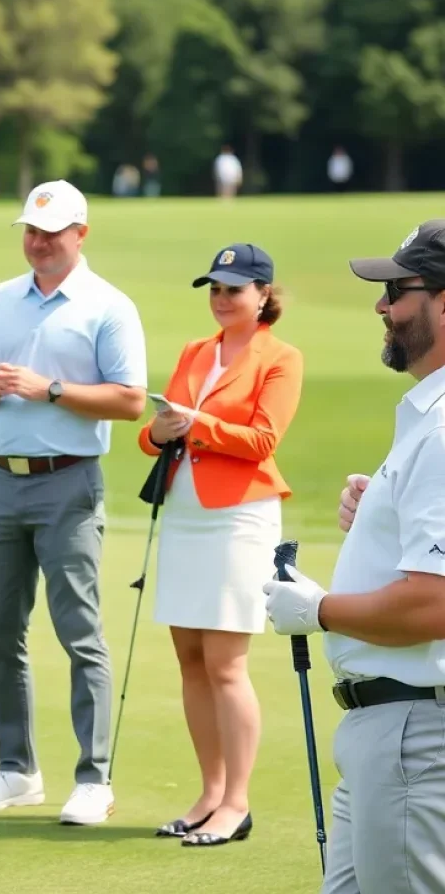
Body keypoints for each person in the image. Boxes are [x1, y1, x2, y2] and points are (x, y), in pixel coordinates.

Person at [263, 219, 445, 894]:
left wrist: (320, 610)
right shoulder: (426, 420)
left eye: (397, 292)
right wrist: (382, 511)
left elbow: (434, 603)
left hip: (413, 733)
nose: (381, 306)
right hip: (388, 734)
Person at [0, 179, 148, 826]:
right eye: (31, 232)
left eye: (52, 232)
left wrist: (50, 390)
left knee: (79, 632)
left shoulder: (107, 306)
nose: (38, 242)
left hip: (69, 482)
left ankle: (94, 778)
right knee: (0, 632)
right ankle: (17, 769)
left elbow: (130, 400)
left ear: (80, 235)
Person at [139, 243, 303, 847]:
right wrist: (160, 430)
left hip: (239, 519)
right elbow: (152, 438)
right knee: (190, 659)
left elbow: (262, 440)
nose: (221, 298)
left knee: (226, 664)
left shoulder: (281, 358)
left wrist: (196, 422)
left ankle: (237, 802)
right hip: (185, 515)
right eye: (214, 288)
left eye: (233, 289)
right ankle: (210, 794)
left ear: (263, 296)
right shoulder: (194, 351)